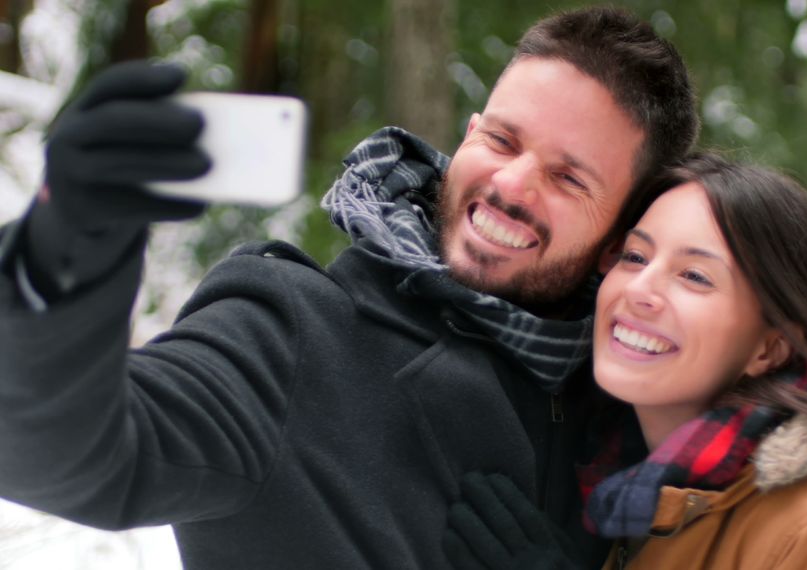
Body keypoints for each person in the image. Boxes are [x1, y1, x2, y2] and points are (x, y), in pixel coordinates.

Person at [0, 6, 698, 569]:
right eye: (504, 142)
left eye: (569, 177)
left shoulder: (636, 406)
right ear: (470, 133)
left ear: (618, 241)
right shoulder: (291, 330)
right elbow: (65, 454)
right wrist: (56, 260)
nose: (511, 186)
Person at [444, 153, 807, 569]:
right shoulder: (629, 498)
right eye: (635, 258)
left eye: (694, 276)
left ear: (768, 347)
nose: (640, 289)